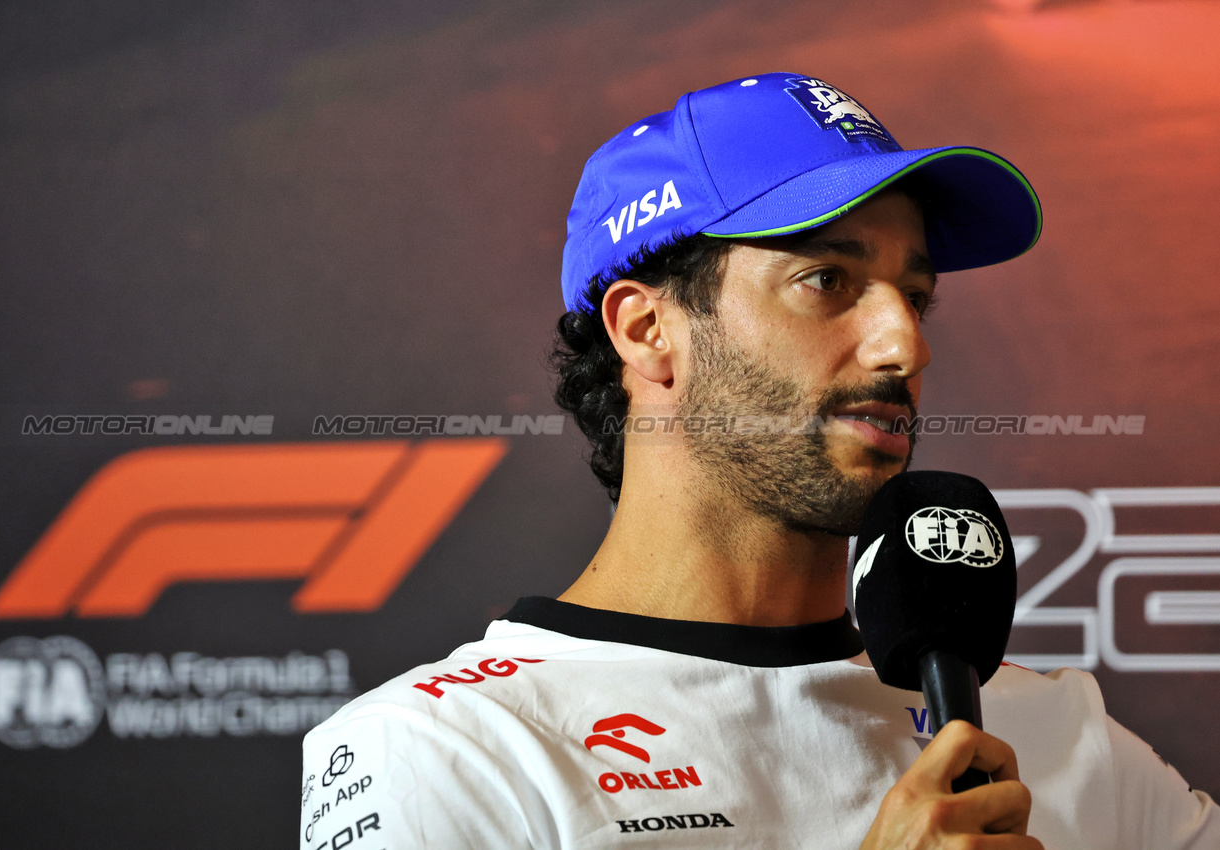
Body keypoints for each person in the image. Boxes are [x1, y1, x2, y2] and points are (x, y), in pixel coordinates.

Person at [300, 72, 1219, 848]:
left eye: (914, 293)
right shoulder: (446, 748)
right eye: (826, 281)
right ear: (647, 328)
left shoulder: (1062, 738)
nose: (904, 344)